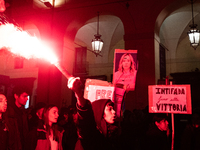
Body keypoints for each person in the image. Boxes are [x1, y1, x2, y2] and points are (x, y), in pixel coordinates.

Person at [68, 77, 120, 150]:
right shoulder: (92, 133)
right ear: (100, 112)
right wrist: (79, 96)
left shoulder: (115, 133)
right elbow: (86, 121)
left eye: (113, 109)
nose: (114, 112)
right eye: (110, 109)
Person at [6, 85, 30, 150]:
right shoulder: (8, 112)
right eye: (24, 96)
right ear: (16, 96)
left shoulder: (23, 112)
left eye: (27, 96)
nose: (27, 99)